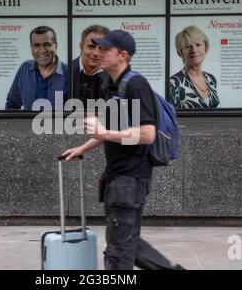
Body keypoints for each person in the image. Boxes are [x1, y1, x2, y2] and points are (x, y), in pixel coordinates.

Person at [62, 30, 184, 270]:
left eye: (106, 49)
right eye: (96, 48)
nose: (98, 53)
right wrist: (83, 147)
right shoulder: (108, 84)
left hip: (130, 177)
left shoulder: (136, 85)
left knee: (118, 252)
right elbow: (109, 129)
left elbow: (147, 134)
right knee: (129, 242)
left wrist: (104, 134)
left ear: (123, 55)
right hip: (116, 175)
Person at [5, 26, 68, 110]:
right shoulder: (25, 69)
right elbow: (12, 104)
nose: (42, 50)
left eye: (47, 45)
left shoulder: (69, 73)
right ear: (31, 48)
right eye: (36, 45)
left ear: (56, 46)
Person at [169, 25, 220, 108]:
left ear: (206, 47)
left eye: (198, 44)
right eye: (187, 46)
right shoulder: (174, 83)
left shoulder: (211, 79)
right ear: (180, 53)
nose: (194, 50)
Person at [72, 25, 110, 107]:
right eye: (91, 47)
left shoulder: (113, 77)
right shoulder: (64, 74)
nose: (96, 53)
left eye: (102, 48)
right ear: (81, 47)